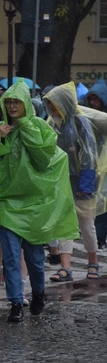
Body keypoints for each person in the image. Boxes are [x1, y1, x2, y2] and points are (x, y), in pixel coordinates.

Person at [0, 79, 79, 322]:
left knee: (34, 257)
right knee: (11, 256)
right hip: (6, 202)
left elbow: (44, 158)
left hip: (35, 205)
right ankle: (15, 304)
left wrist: (25, 128)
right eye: (8, 102)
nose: (12, 106)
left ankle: (38, 293)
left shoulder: (40, 128)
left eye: (16, 102)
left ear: (25, 104)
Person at [42, 82, 100, 281]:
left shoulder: (79, 122)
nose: (52, 108)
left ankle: (93, 262)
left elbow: (89, 153)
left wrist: (85, 184)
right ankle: (66, 268)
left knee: (86, 226)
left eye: (55, 104)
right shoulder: (52, 122)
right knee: (64, 224)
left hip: (82, 181)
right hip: (61, 180)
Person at [86, 79, 107, 249]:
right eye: (90, 99)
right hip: (94, 166)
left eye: (96, 99)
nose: (93, 103)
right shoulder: (86, 118)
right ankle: (99, 237)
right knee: (98, 201)